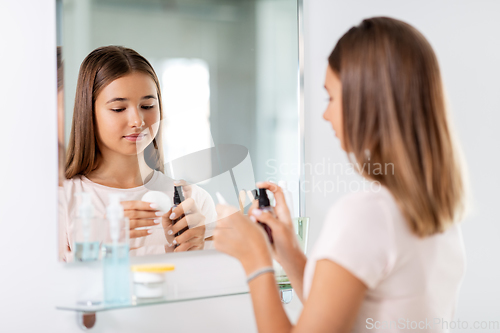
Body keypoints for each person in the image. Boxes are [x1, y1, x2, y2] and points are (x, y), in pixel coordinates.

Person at [214, 17, 467, 333]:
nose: (325, 113)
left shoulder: (368, 214)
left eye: (330, 97)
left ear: (367, 102)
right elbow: (341, 312)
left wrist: (256, 260)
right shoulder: (436, 212)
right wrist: (290, 253)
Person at [59, 46, 216, 262]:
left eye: (148, 105)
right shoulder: (62, 200)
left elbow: (211, 288)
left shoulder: (192, 202)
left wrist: (194, 253)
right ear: (89, 113)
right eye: (119, 109)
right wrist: (98, 244)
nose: (138, 121)